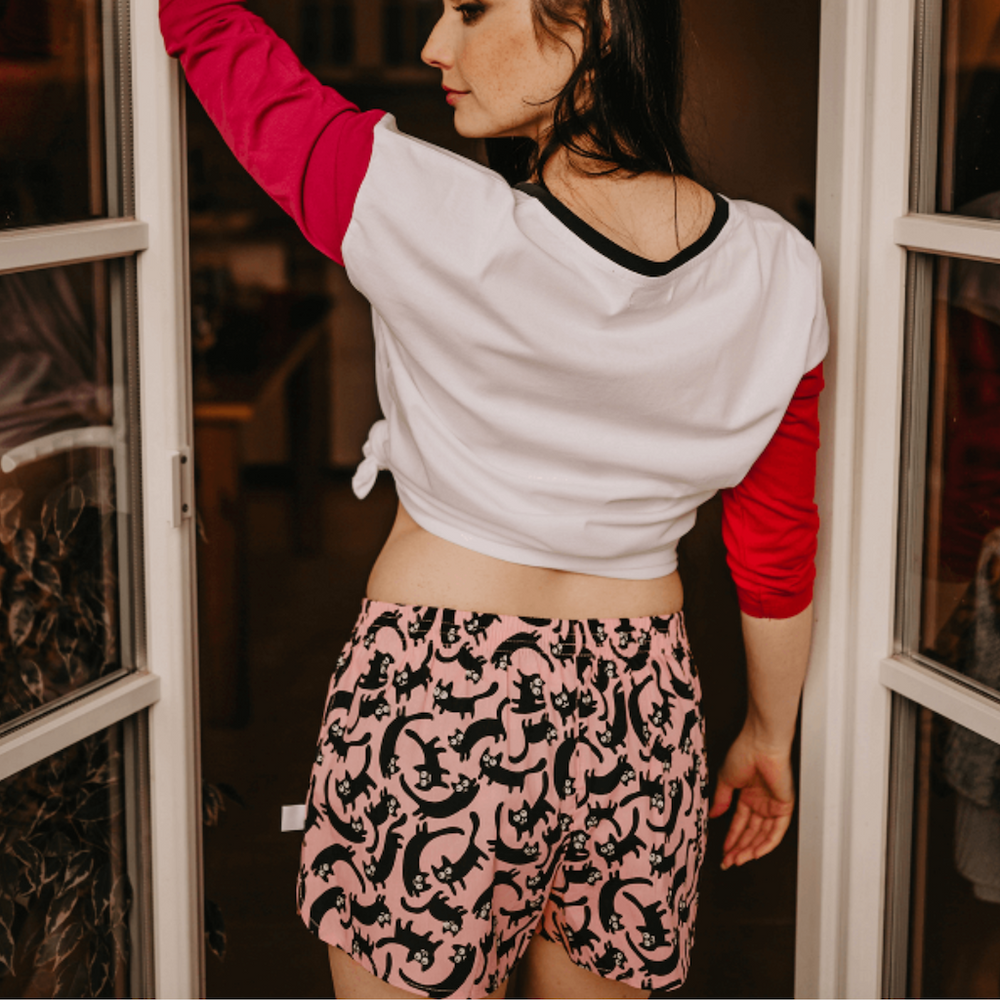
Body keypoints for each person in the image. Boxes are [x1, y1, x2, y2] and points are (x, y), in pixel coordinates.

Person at [160, 1, 828, 997]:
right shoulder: (778, 270)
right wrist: (769, 735)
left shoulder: (417, 208)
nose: (436, 43)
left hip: (439, 690)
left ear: (595, 20)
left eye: (471, 8)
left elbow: (213, 34)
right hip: (641, 710)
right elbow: (773, 544)